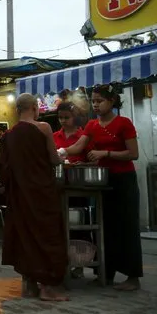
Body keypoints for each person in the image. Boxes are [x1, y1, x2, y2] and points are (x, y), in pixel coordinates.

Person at [58, 84, 142, 292]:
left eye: (99, 101)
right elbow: (78, 147)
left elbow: (133, 154)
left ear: (112, 101)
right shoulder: (92, 125)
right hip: (103, 181)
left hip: (123, 180)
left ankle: (133, 277)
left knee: (127, 228)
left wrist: (105, 154)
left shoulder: (123, 123)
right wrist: (59, 151)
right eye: (93, 101)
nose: (95, 105)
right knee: (105, 228)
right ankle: (107, 274)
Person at [0, 93, 69, 302]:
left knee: (25, 236)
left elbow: (2, 166)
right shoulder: (43, 128)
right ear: (35, 108)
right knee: (46, 235)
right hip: (40, 193)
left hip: (19, 195)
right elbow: (54, 159)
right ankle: (47, 287)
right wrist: (63, 155)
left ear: (17, 110)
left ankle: (28, 285)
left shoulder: (9, 134)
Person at [52, 102, 91, 279]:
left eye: (66, 117)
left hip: (78, 187)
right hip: (58, 186)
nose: (63, 121)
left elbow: (91, 158)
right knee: (59, 226)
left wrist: (80, 163)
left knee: (78, 226)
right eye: (60, 117)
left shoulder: (84, 136)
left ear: (75, 117)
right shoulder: (54, 136)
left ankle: (79, 264)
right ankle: (61, 262)